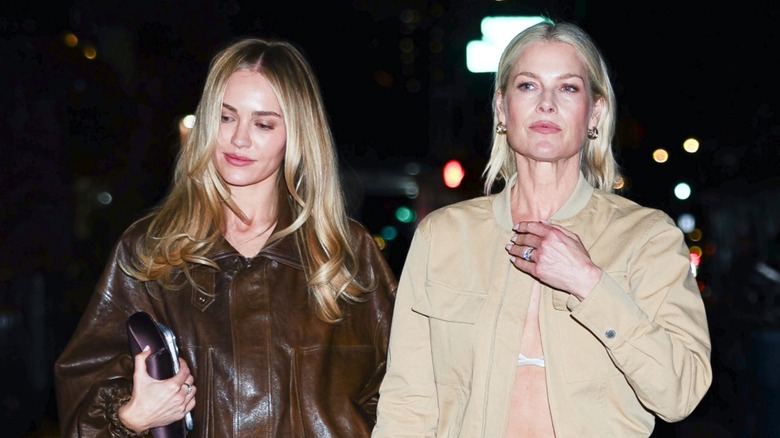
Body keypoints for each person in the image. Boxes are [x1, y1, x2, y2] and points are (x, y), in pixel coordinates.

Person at [372, 20, 712, 438]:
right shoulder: (442, 235)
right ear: (501, 108)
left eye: (568, 87)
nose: (546, 104)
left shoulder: (647, 237)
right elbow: (407, 401)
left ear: (596, 112)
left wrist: (590, 283)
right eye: (528, 86)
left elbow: (681, 394)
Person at [54, 37, 397, 437]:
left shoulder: (345, 253)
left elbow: (409, 394)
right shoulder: (151, 250)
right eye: (226, 116)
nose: (238, 139)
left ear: (297, 136)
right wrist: (130, 417)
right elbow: (82, 403)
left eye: (264, 123)